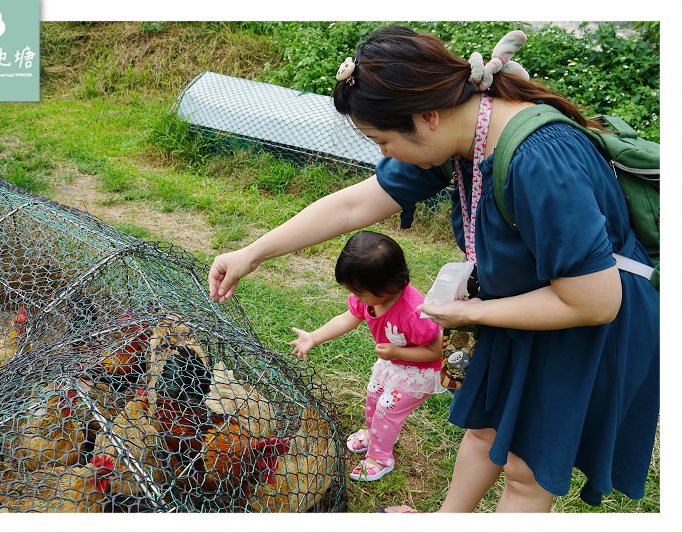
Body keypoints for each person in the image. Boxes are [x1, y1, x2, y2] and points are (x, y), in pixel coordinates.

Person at [208, 25, 659, 512]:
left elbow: (593, 300)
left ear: (426, 116)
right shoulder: (461, 134)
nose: (383, 154)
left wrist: (472, 314)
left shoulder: (538, 158)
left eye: (382, 140)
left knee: (526, 470)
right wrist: (252, 252)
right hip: (521, 306)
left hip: (583, 321)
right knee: (485, 427)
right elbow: (353, 206)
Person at [288, 230, 444, 482]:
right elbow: (346, 318)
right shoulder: (371, 296)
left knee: (387, 408)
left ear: (389, 287)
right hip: (394, 362)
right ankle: (373, 434)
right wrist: (313, 337)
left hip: (419, 369)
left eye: (359, 293)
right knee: (373, 393)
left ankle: (380, 457)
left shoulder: (415, 314)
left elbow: (437, 350)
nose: (356, 299)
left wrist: (398, 352)